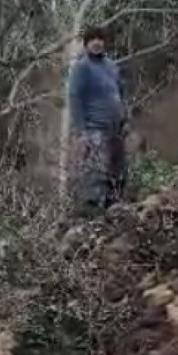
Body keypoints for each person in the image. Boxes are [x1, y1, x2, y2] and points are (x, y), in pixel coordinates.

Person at [67, 25, 128, 216]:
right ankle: (91, 217)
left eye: (100, 39)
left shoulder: (112, 66)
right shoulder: (81, 67)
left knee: (117, 173)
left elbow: (120, 94)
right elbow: (74, 98)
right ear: (86, 44)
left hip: (115, 130)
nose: (97, 43)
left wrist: (126, 120)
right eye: (92, 39)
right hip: (94, 130)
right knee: (95, 175)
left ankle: (113, 213)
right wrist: (81, 131)